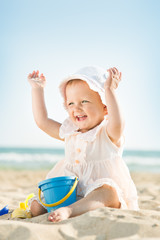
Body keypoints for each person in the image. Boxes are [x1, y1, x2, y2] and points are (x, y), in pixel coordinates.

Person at [27, 66, 139, 223]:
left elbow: (118, 122)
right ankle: (61, 207)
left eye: (84, 101)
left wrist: (109, 90)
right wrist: (37, 90)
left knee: (109, 192)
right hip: (71, 191)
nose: (76, 108)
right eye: (70, 103)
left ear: (105, 108)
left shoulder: (108, 134)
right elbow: (42, 121)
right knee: (36, 205)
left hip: (98, 194)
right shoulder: (70, 133)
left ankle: (70, 210)